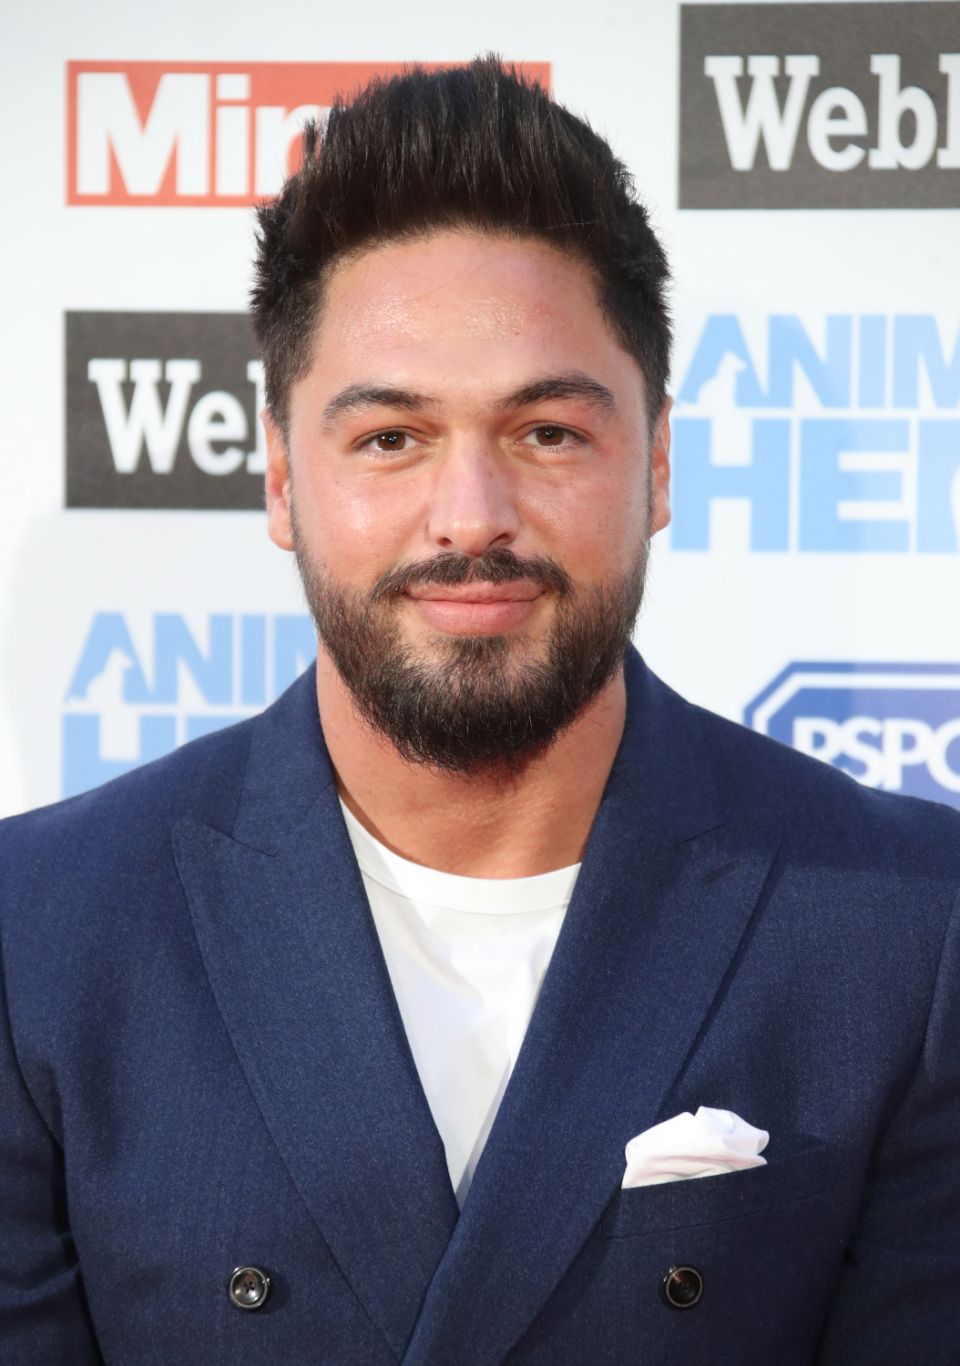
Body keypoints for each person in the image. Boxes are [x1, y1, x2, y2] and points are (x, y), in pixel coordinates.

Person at [1, 57, 958, 1366]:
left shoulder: (905, 930)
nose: (472, 518)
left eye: (546, 434)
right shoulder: (40, 940)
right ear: (282, 477)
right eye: (390, 438)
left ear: (659, 462)